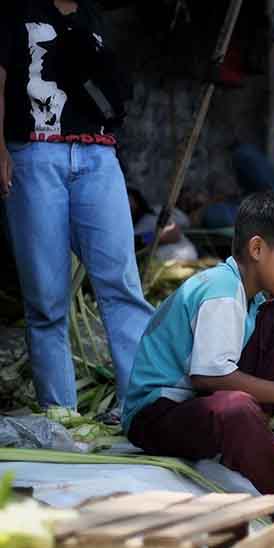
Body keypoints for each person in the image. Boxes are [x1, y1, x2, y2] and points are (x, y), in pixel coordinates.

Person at [123, 191, 274, 546]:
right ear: (257, 249)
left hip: (198, 405)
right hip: (157, 415)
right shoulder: (222, 290)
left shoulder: (251, 296)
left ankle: (255, 436)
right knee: (236, 408)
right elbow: (207, 376)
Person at [0, 0, 154, 409]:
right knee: (47, 301)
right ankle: (62, 419)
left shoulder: (90, 16)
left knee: (122, 287)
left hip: (98, 156)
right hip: (34, 154)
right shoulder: (16, 8)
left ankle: (142, 412)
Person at [129, 187, 199, 262]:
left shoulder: (154, 213)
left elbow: (175, 230)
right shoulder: (133, 230)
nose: (129, 206)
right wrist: (156, 237)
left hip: (184, 256)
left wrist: (152, 237)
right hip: (165, 262)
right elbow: (136, 242)